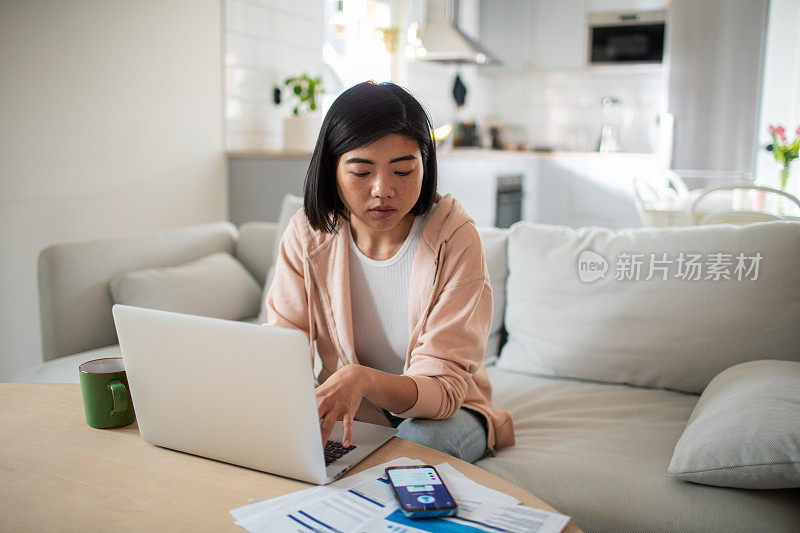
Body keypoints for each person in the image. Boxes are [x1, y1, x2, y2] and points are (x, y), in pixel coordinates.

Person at [266, 81, 514, 463]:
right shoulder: (307, 233)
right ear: (331, 169)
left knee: (414, 443)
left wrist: (361, 379)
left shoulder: (455, 238)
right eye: (361, 172)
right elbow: (282, 348)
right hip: (356, 412)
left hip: (447, 412)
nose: (383, 190)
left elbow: (443, 389)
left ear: (425, 165)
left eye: (402, 170)